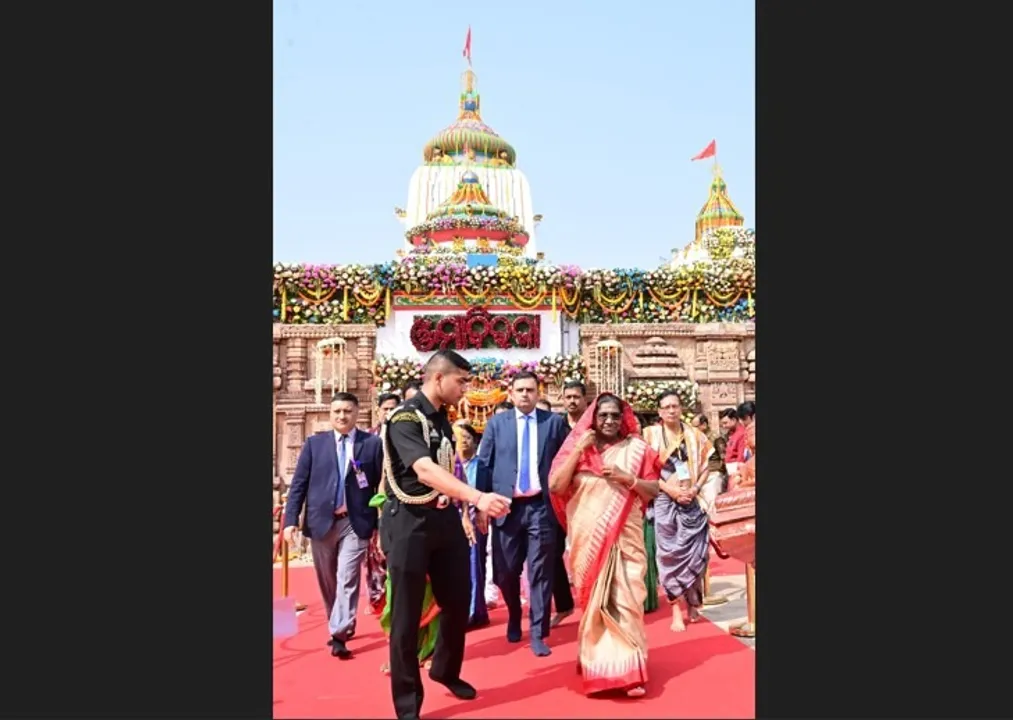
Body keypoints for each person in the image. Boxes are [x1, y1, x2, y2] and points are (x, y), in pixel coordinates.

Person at [380, 350, 512, 720]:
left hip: (444, 520)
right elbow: (423, 469)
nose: (466, 389)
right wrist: (477, 497)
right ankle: (407, 703)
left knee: (459, 599)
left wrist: (470, 510)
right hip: (408, 523)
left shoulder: (441, 419)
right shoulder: (404, 418)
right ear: (439, 379)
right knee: (406, 616)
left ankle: (445, 669)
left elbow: (449, 469)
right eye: (462, 381)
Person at [547, 393, 660, 697]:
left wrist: (628, 479)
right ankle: (596, 660)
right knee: (594, 603)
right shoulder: (579, 450)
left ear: (623, 418)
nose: (609, 421)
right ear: (593, 419)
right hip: (589, 541)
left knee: (626, 599)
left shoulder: (637, 450)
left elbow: (654, 491)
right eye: (603, 415)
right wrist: (577, 451)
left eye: (614, 415)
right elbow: (556, 487)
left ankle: (630, 671)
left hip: (626, 540)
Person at [283, 392, 383, 658]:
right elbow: (298, 486)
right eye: (337, 411)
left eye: (347, 411)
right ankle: (336, 620)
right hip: (321, 522)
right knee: (327, 580)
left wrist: (382, 522)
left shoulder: (371, 444)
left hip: (355, 522)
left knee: (346, 577)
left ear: (356, 412)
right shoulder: (315, 444)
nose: (342, 416)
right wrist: (290, 520)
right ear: (330, 413)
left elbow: (380, 485)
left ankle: (339, 632)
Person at [477, 371, 570, 657]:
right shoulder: (497, 424)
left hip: (542, 508)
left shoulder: (554, 424)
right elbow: (485, 464)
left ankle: (539, 633)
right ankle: (514, 616)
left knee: (540, 572)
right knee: (505, 572)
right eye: (520, 390)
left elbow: (569, 461)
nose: (525, 394)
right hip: (507, 507)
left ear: (538, 392)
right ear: (511, 393)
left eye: (530, 389)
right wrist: (481, 504)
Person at [643, 391, 715, 632]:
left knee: (695, 553)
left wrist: (695, 488)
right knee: (669, 555)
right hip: (665, 501)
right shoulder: (650, 436)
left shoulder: (695, 436)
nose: (672, 410)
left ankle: (693, 602)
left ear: (681, 408)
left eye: (675, 406)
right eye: (667, 407)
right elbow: (647, 473)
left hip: (691, 501)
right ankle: (675, 608)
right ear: (660, 412)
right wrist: (671, 491)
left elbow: (706, 467)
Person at [365, 393, 401, 615]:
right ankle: (378, 599)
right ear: (378, 410)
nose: (389, 413)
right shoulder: (369, 439)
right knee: (375, 555)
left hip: (399, 503)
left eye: (393, 409)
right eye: (385, 408)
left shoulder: (404, 435)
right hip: (373, 504)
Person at [453, 422, 489, 628]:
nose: (463, 442)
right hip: (452, 519)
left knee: (475, 566)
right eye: (459, 438)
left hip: (475, 521)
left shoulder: (483, 465)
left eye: (467, 437)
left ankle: (473, 611)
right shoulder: (447, 463)